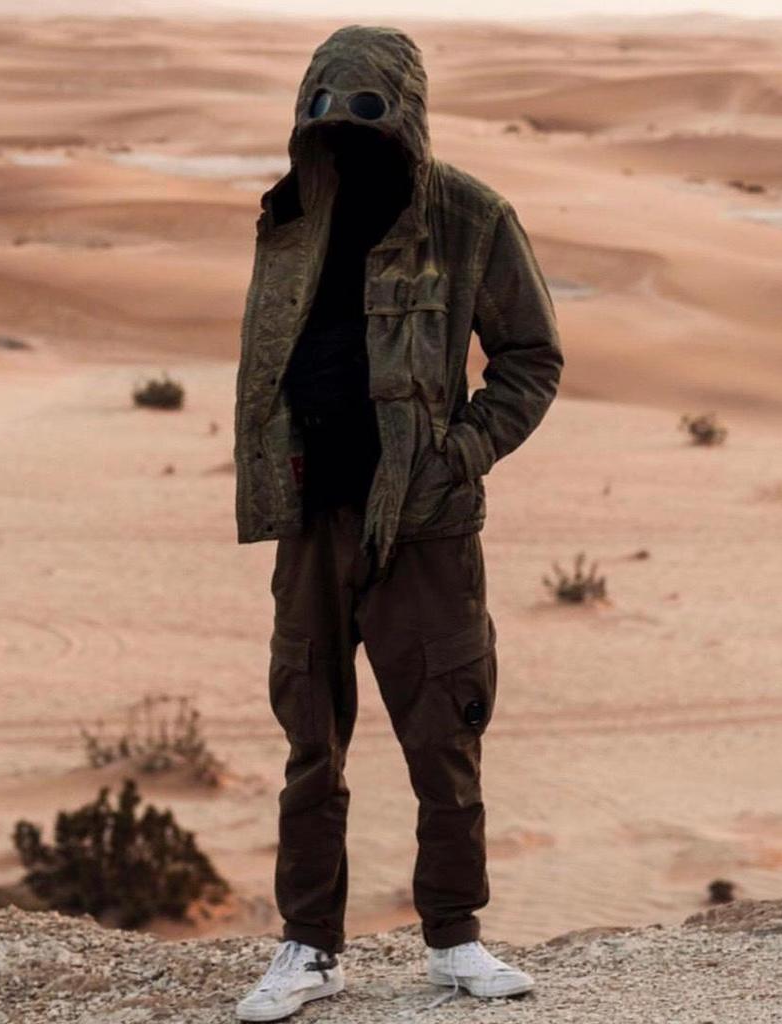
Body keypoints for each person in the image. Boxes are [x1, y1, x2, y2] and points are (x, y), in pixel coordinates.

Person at [232, 23, 564, 1021]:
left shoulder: (469, 216)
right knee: (309, 736)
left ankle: (455, 940)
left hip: (424, 526)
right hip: (311, 517)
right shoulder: (291, 212)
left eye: (365, 110)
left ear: (406, 115)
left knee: (445, 734)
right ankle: (308, 948)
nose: (343, 127)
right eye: (324, 110)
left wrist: (460, 452)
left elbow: (531, 357)